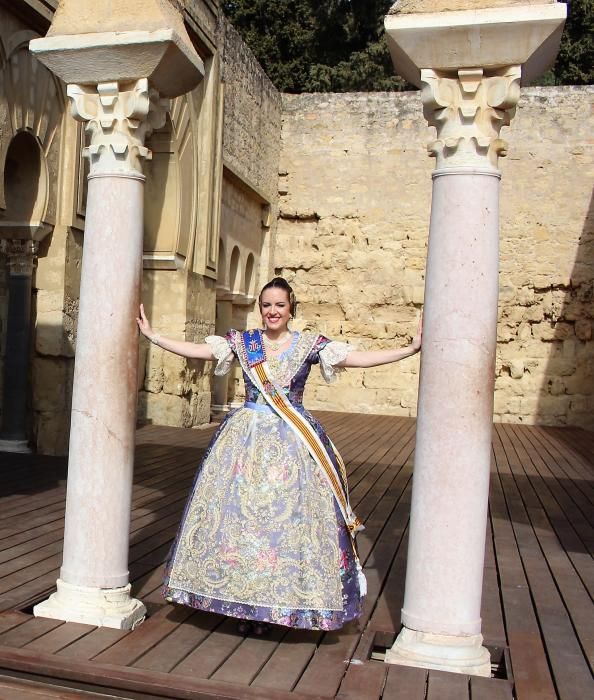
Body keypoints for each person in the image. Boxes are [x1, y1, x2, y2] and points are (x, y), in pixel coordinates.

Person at [136, 277, 421, 633]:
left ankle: (282, 606)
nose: (272, 311)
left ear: (291, 309)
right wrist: (154, 337)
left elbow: (355, 358)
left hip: (293, 445)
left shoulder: (308, 345)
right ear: (260, 308)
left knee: (288, 526)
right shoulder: (244, 342)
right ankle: (241, 603)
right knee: (237, 522)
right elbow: (201, 352)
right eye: (267, 305)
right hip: (245, 442)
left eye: (279, 305)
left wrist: (408, 350)